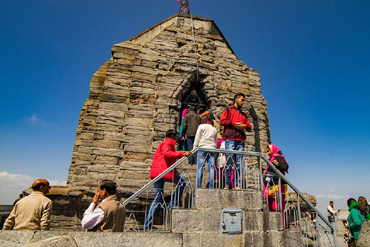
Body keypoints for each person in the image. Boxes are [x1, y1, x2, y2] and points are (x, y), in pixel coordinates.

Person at [143, 129, 192, 230]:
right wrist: (182, 154)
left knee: (158, 198)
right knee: (182, 182)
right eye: (176, 136)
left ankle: (147, 225)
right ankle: (172, 203)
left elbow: (167, 160)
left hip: (158, 173)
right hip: (164, 172)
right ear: (173, 135)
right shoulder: (168, 142)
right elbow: (167, 154)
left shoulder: (164, 142)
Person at [219, 93, 252, 190]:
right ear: (236, 100)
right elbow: (222, 121)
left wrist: (244, 126)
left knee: (238, 163)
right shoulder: (228, 110)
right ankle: (228, 184)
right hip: (230, 139)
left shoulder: (243, 114)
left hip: (240, 140)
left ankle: (236, 185)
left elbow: (249, 127)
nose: (243, 102)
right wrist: (234, 124)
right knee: (229, 161)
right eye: (242, 100)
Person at [263, 144, 289, 228]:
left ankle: (281, 224)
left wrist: (278, 164)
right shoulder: (271, 159)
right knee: (271, 205)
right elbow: (270, 172)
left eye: (268, 150)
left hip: (279, 184)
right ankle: (273, 225)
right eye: (267, 151)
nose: (267, 152)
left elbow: (285, 167)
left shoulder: (278, 157)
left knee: (279, 205)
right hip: (271, 184)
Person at [193, 115, 218, 188]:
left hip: (202, 148)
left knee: (200, 168)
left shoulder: (201, 127)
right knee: (211, 168)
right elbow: (215, 141)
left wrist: (194, 148)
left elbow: (197, 138)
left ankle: (198, 186)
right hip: (212, 149)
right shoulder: (214, 129)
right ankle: (211, 187)